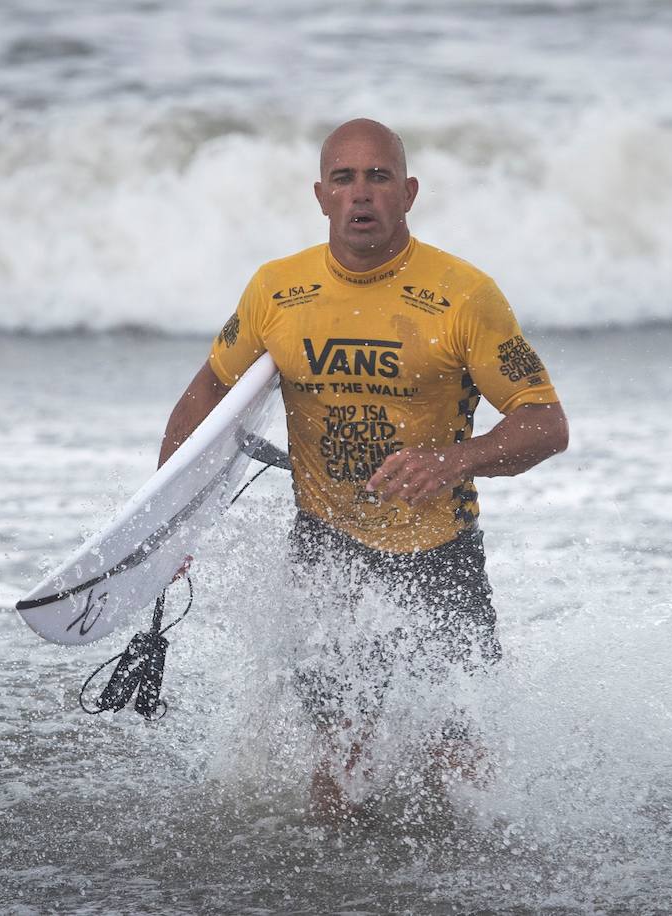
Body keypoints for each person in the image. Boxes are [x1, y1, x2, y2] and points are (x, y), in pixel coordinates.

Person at [157, 118, 568, 821]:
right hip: (326, 551)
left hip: (441, 554)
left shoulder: (465, 295)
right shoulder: (276, 292)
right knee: (336, 766)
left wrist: (456, 459)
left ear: (408, 192)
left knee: (461, 767)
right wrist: (171, 525)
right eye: (344, 178)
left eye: (378, 177)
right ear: (321, 195)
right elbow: (207, 394)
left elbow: (546, 423)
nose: (361, 194)